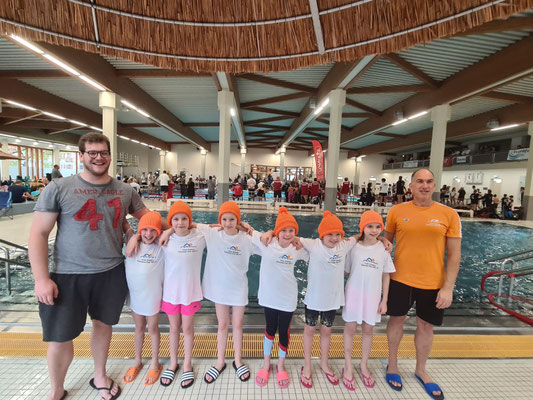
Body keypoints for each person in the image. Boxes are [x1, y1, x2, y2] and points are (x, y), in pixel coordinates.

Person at [28, 132, 156, 400]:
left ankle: (100, 375)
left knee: (103, 326)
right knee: (60, 336)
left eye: (104, 152)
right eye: (93, 153)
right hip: (67, 274)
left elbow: (151, 220)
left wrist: (191, 226)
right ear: (81, 156)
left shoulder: (125, 190)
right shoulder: (59, 187)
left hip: (110, 272)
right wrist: (41, 279)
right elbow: (38, 234)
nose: (99, 158)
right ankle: (56, 388)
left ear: (110, 155)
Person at [384, 168, 461, 400]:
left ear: (434, 186)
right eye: (419, 181)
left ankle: (421, 369)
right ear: (411, 186)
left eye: (429, 182)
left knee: (426, 326)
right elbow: (384, 245)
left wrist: (448, 287)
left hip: (433, 282)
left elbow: (454, 255)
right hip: (400, 279)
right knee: (396, 320)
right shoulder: (397, 211)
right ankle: (392, 364)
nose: (424, 186)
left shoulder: (449, 215)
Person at [199, 202, 254, 384]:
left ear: (238, 220)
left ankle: (238, 361)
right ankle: (220, 361)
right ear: (219, 220)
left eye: (232, 219)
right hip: (219, 289)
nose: (228, 223)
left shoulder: (247, 238)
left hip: (238, 288)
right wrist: (167, 232)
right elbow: (188, 224)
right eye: (224, 219)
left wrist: (247, 228)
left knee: (237, 325)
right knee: (223, 325)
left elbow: (266, 241)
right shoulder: (213, 233)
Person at [254, 208, 309, 388]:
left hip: (288, 298)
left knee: (284, 331)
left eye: (291, 230)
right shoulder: (266, 243)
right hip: (269, 297)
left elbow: (318, 249)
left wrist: (300, 240)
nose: (287, 234)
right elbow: (246, 230)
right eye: (283, 230)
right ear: (277, 231)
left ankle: (281, 365)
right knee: (270, 329)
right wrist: (269, 232)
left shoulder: (297, 248)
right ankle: (266, 363)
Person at [342, 211, 395, 391]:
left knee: (368, 329)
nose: (374, 230)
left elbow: (386, 275)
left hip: (373, 296)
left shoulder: (383, 249)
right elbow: (346, 271)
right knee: (350, 328)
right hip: (354, 294)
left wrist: (384, 300)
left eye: (378, 227)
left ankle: (363, 364)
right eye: (370, 226)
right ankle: (348, 365)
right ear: (362, 228)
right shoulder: (353, 248)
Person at [158, 201, 206, 388]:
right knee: (173, 328)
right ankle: (173, 362)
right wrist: (168, 231)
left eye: (184, 219)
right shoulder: (165, 240)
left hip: (190, 294)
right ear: (170, 221)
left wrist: (174, 228)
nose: (180, 223)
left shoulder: (199, 237)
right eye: (176, 219)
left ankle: (187, 364)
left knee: (187, 329)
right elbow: (145, 235)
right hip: (171, 294)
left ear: (190, 220)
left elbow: (217, 228)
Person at [123, 212, 164, 386]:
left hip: (153, 295)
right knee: (138, 327)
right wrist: (134, 237)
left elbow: (175, 229)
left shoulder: (162, 247)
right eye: (145, 230)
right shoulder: (132, 245)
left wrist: (163, 231)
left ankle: (155, 361)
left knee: (152, 328)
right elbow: (123, 224)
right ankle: (137, 360)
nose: (148, 234)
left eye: (153, 230)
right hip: (135, 295)